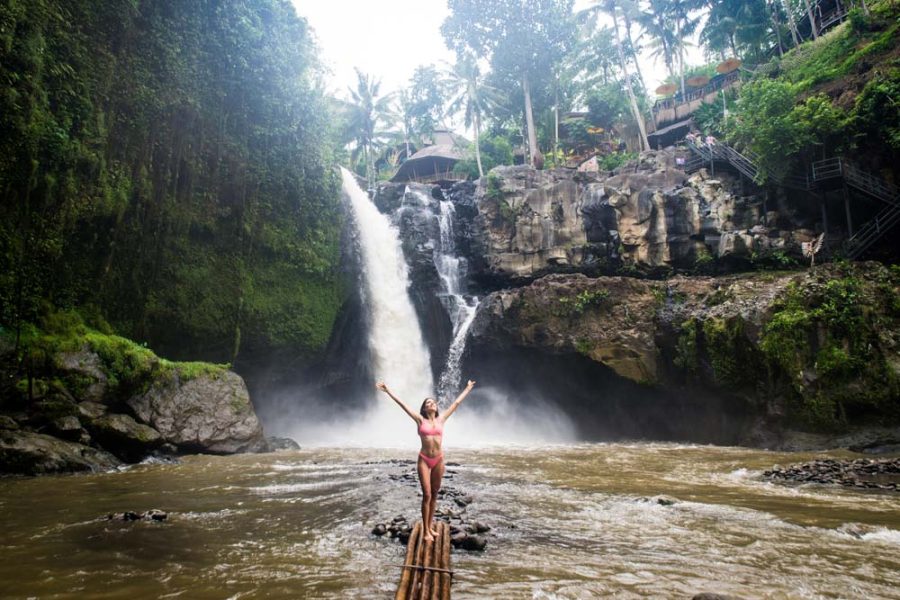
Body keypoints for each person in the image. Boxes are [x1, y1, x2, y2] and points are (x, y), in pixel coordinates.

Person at [376, 380, 476, 543]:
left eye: (433, 402)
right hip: (424, 459)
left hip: (439, 459)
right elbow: (403, 405)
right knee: (427, 494)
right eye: (428, 403)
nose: (432, 404)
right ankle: (426, 531)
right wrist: (388, 391)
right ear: (424, 408)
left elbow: (456, 403)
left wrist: (468, 388)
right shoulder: (419, 420)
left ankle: (429, 526)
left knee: (435, 493)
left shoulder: (441, 419)